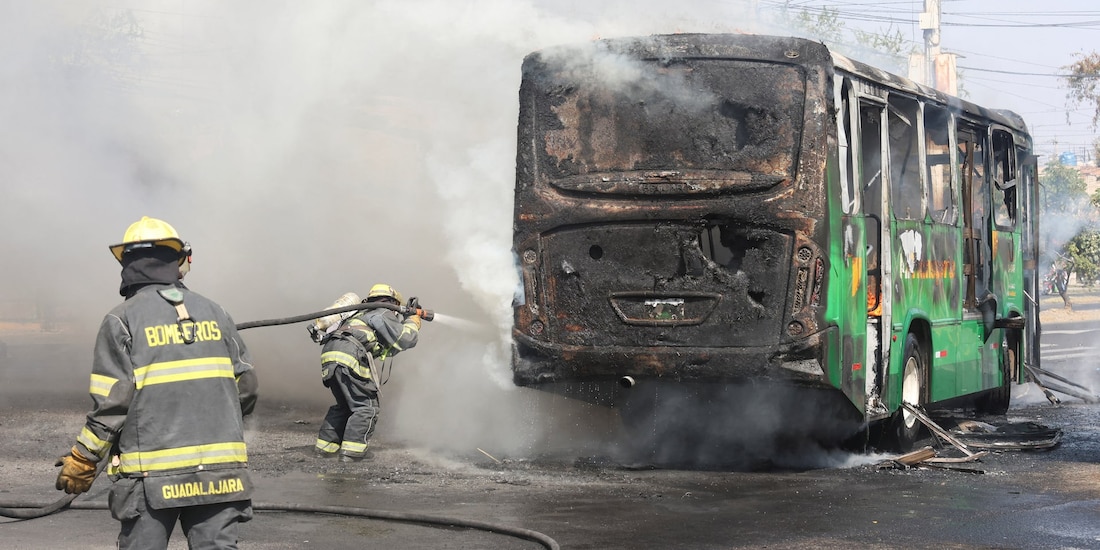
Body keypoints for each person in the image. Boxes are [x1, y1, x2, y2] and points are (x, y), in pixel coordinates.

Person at [54, 216, 259, 550]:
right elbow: (247, 387)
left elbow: (112, 404)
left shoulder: (122, 320)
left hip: (150, 480)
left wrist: (84, 458)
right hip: (220, 476)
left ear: (127, 264)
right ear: (179, 260)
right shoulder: (216, 312)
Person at [313, 283, 422, 462]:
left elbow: (387, 346)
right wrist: (412, 322)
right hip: (349, 356)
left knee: (345, 406)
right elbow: (404, 339)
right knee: (366, 408)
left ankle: (325, 449)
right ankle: (352, 453)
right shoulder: (382, 312)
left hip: (331, 355)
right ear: (393, 302)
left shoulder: (360, 313)